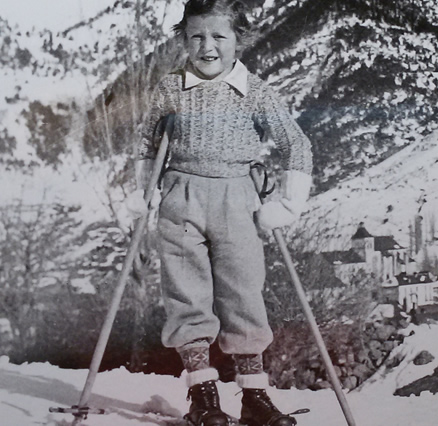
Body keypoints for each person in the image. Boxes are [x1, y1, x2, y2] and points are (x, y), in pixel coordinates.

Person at [129, 0, 312, 425]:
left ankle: (254, 397)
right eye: (196, 36)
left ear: (239, 40)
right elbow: (146, 142)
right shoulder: (171, 87)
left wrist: (287, 205)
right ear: (183, 39)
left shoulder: (255, 91)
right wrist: (144, 189)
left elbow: (296, 144)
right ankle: (203, 397)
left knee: (243, 294)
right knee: (187, 295)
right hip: (181, 197)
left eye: (218, 36)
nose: (207, 46)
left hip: (237, 199)